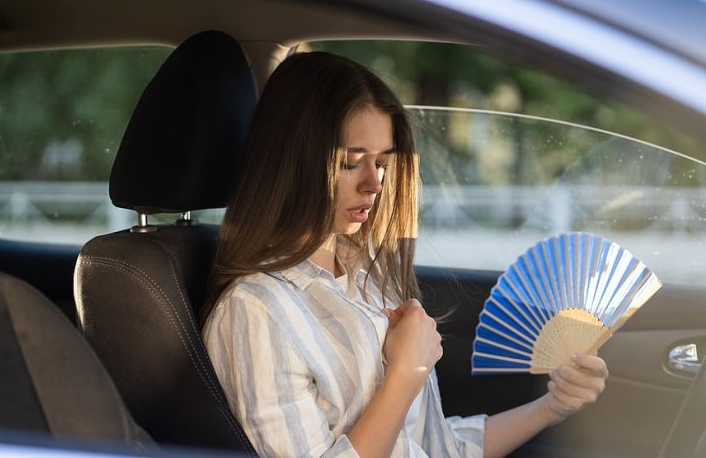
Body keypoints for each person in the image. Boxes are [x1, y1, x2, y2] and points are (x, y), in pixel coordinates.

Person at [199, 51, 608, 458]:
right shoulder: (256, 311)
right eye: (349, 162)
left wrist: (552, 407)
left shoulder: (363, 275)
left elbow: (430, 448)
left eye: (382, 163)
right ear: (292, 163)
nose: (373, 184)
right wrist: (404, 375)